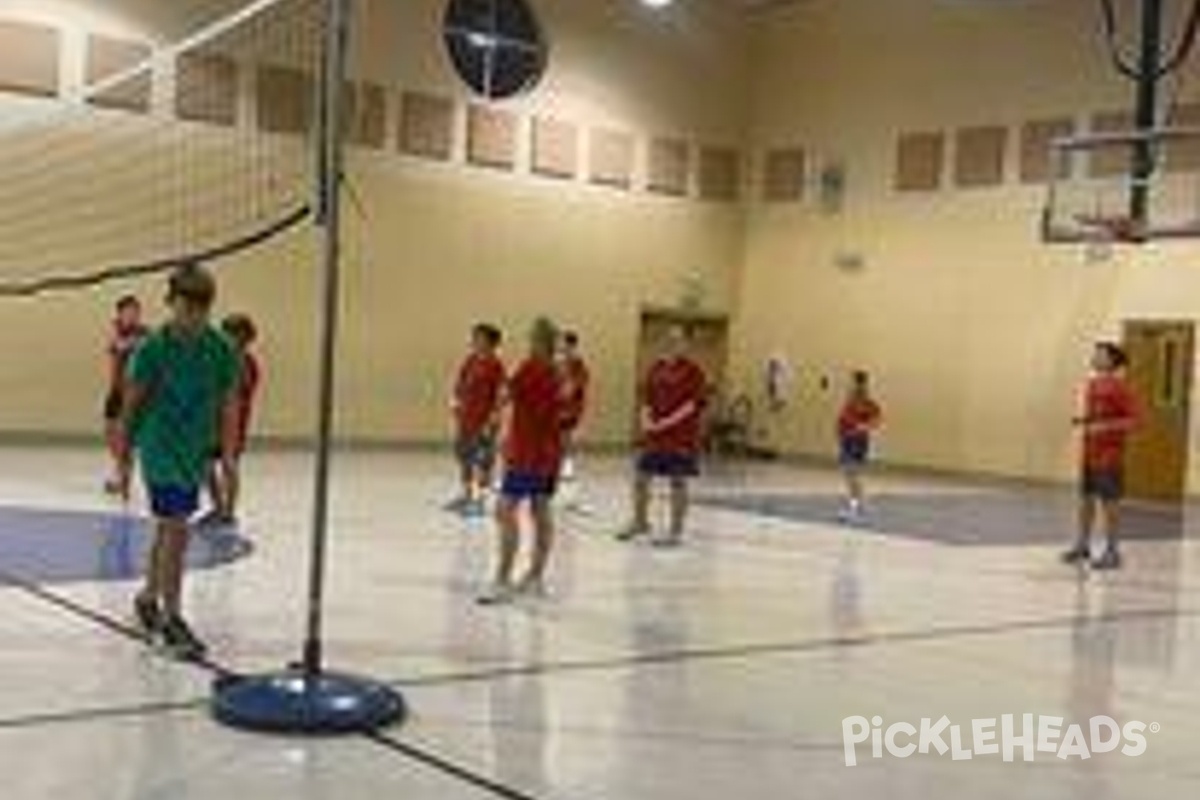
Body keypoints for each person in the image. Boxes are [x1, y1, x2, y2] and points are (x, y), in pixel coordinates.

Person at [116, 263, 241, 658]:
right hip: (159, 448)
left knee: (168, 531)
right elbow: (132, 406)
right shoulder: (152, 349)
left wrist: (229, 454)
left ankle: (148, 598)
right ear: (170, 304)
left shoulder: (221, 349)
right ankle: (172, 618)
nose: (192, 318)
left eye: (200, 310)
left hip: (193, 450)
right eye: (185, 309)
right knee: (177, 529)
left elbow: (228, 403)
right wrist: (124, 460)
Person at [478, 317, 564, 605]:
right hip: (546, 454)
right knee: (540, 511)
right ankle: (535, 577)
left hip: (530, 454)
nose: (529, 343)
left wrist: (493, 423)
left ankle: (502, 580)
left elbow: (507, 394)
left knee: (505, 511)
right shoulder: (556, 371)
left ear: (541, 341)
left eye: (533, 338)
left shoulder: (533, 367)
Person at [617, 325, 708, 547]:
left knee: (678, 482)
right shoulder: (656, 367)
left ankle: (675, 531)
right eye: (669, 339)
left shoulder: (694, 371)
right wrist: (645, 418)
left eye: (678, 340)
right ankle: (640, 521)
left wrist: (666, 423)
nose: (672, 343)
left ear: (686, 344)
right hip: (656, 436)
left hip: (680, 437)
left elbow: (692, 405)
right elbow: (646, 397)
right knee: (641, 477)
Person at [1063, 342, 1139, 570]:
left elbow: (1132, 420)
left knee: (1110, 505)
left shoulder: (1122, 387)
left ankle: (1113, 551)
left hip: (1110, 456)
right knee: (1086, 501)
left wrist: (1104, 428)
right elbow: (1097, 416)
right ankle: (1083, 546)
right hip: (1090, 453)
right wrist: (1084, 421)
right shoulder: (1093, 385)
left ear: (1112, 361)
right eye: (1095, 354)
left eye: (1100, 355)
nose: (1095, 357)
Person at [202, 313, 261, 527]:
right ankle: (218, 507)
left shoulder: (246, 363)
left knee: (229, 463)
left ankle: (228, 511)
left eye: (229, 333)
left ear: (242, 337)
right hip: (212, 421)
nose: (224, 337)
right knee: (205, 465)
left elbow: (235, 392)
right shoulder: (220, 358)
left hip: (233, 423)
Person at [449, 323, 506, 516]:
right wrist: (455, 400)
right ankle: (465, 495)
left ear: (490, 342)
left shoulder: (496, 364)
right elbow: (460, 382)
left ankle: (481, 500)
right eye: (474, 336)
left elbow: (501, 394)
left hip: (484, 421)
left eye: (479, 337)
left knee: (483, 460)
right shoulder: (470, 360)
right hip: (465, 418)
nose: (474, 340)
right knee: (464, 457)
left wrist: (493, 418)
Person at [103, 295, 148, 495]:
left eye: (135, 311)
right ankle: (120, 475)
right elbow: (115, 349)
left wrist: (129, 343)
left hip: (133, 393)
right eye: (127, 311)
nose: (132, 315)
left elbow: (130, 348)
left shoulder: (145, 335)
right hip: (116, 391)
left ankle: (124, 483)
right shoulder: (117, 333)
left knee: (125, 439)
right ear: (119, 314)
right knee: (111, 436)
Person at [836, 370, 883, 523]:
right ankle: (857, 506)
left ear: (859, 383)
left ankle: (856, 508)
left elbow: (876, 419)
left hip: (856, 442)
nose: (849, 384)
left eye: (851, 381)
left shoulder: (865, 401)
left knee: (853, 474)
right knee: (850, 475)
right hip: (846, 440)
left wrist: (862, 428)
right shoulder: (851, 399)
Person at [556, 330, 590, 511]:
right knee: (557, 446)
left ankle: (571, 492)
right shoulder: (557, 362)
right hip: (554, 411)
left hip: (569, 412)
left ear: (571, 345)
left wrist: (564, 390)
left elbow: (573, 388)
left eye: (562, 343)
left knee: (565, 444)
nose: (560, 347)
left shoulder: (578, 364)